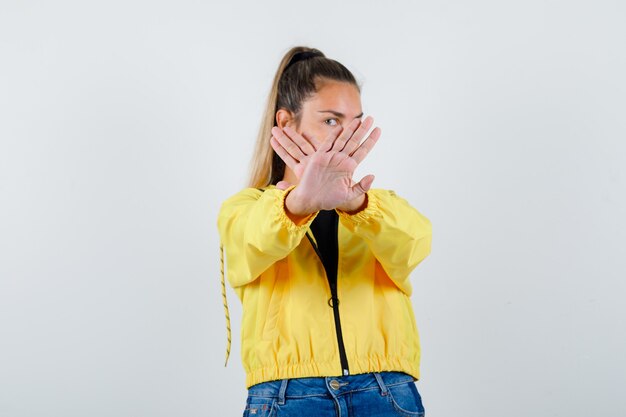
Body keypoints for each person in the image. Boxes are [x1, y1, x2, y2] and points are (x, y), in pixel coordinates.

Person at [217, 46, 433, 417]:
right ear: (286, 124)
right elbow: (251, 242)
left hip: (385, 391)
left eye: (354, 122)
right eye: (331, 120)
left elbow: (414, 244)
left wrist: (357, 205)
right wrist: (298, 203)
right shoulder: (246, 208)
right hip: (287, 396)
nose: (345, 134)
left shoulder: (378, 204)